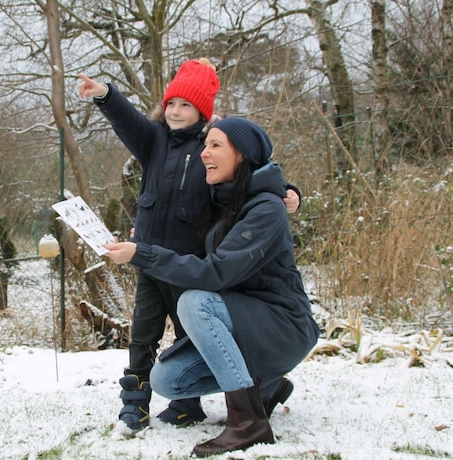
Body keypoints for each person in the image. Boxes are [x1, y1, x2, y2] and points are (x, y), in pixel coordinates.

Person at [78, 59, 301, 434]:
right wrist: (104, 94)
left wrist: (289, 192)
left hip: (189, 263)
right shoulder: (153, 140)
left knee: (191, 334)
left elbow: (251, 173)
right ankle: (135, 405)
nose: (176, 111)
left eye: (186, 105)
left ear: (202, 110)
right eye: (171, 103)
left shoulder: (211, 147)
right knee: (142, 333)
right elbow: (127, 119)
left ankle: (188, 403)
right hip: (148, 259)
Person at [102, 117, 320, 457]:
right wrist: (141, 241)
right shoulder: (221, 199)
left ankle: (248, 423)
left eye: (215, 145)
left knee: (194, 302)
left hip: (283, 327)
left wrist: (143, 254)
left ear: (242, 156)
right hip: (244, 324)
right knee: (166, 380)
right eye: (205, 145)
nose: (205, 153)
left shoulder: (265, 209)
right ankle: (268, 385)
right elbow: (176, 216)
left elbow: (215, 273)